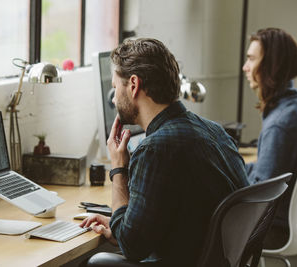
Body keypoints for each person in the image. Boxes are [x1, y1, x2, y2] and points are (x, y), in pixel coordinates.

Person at [80, 38, 248, 266]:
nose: (115, 97)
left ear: (133, 84)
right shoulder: (214, 130)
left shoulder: (156, 149)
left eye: (115, 88)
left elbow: (133, 248)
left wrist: (119, 168)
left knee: (94, 262)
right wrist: (120, 225)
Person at [242, 28, 297, 248]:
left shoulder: (281, 124)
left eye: (252, 59)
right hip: (296, 224)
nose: (245, 67)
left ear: (272, 65)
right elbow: (268, 172)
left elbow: (261, 193)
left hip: (276, 229)